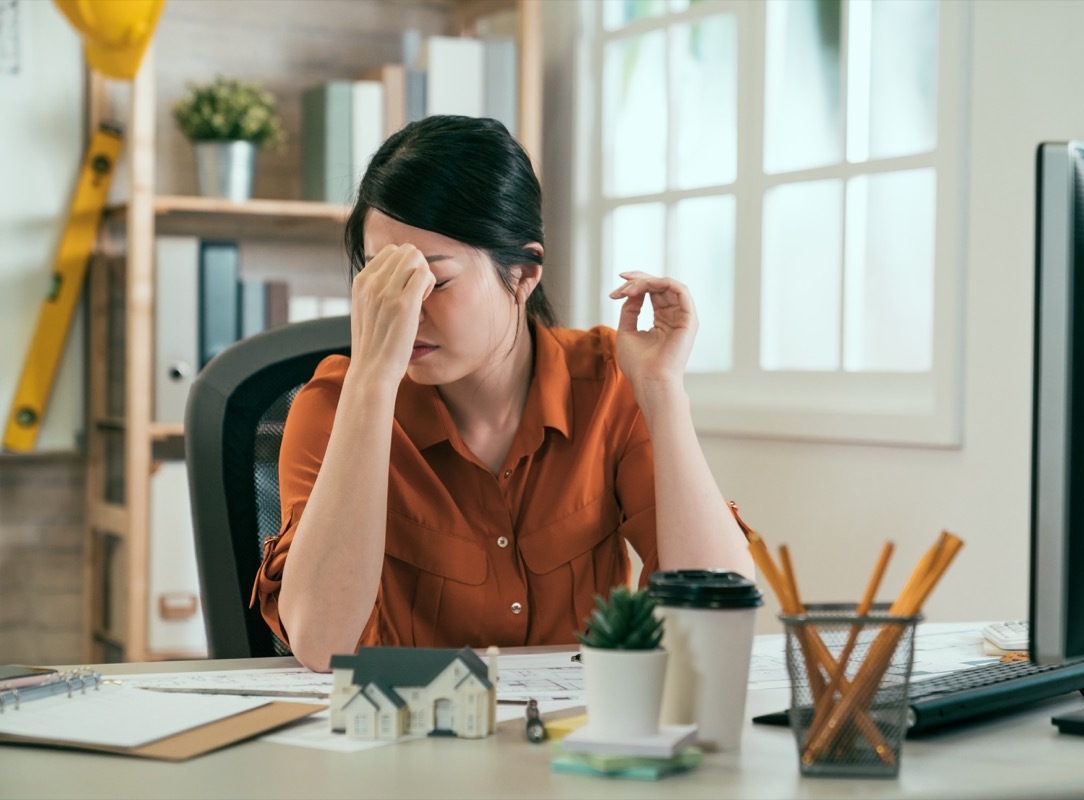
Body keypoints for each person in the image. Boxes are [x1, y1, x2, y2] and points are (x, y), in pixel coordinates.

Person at [252, 115, 754, 672]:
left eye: (433, 282)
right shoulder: (331, 405)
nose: (404, 310)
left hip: (574, 723)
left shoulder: (609, 383)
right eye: (382, 282)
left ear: (522, 275)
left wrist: (662, 391)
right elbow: (321, 643)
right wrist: (371, 379)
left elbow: (719, 611)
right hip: (403, 725)